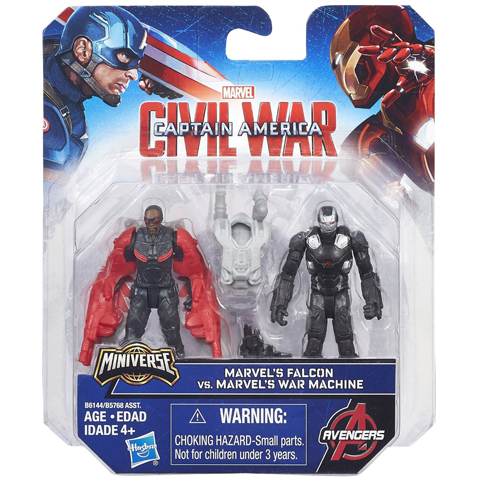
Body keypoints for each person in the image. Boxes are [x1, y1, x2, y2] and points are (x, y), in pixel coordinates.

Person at [270, 205, 382, 357]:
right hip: (318, 292)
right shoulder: (305, 239)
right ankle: (312, 365)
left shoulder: (352, 238)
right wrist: (279, 303)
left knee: (345, 336)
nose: (328, 227)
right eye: (324, 223)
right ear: (319, 222)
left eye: (331, 223)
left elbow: (367, 273)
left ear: (336, 221)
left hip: (341, 291)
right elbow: (288, 274)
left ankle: (350, 366)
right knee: (315, 337)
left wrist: (373, 301)